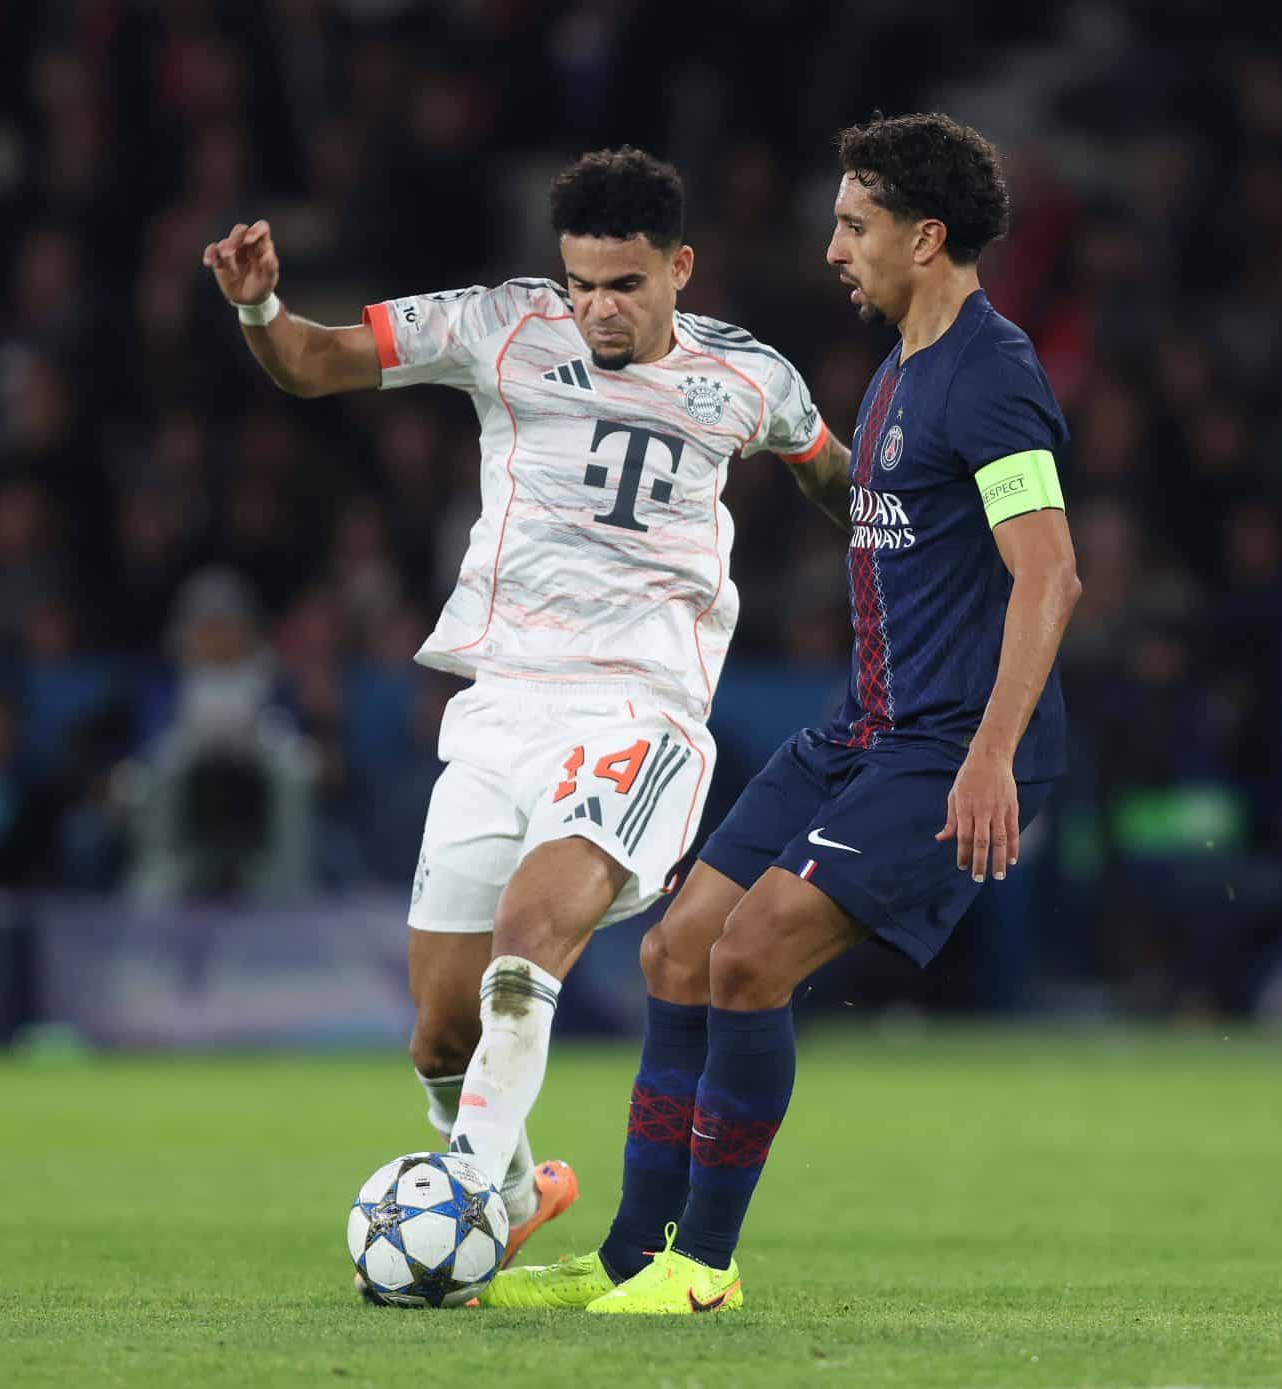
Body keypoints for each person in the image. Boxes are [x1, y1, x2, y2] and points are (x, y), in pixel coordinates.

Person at [202, 148, 846, 1267]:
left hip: (635, 709)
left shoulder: (749, 378)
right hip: (499, 705)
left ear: (679, 269)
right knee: (441, 1030)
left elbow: (837, 481)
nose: (597, 307)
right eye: (581, 282)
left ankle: (456, 1210)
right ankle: (510, 1188)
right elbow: (311, 365)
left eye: (625, 285)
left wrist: (928, 553)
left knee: (527, 938)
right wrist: (259, 303)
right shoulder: (501, 325)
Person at [486, 112, 1081, 1313]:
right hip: (861, 729)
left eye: (852, 225)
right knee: (673, 947)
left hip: (946, 748)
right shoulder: (903, 367)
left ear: (923, 237)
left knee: (750, 955)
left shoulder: (993, 376)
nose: (831, 249)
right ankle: (622, 1264)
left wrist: (990, 761)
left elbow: (1050, 572)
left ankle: (701, 1270)